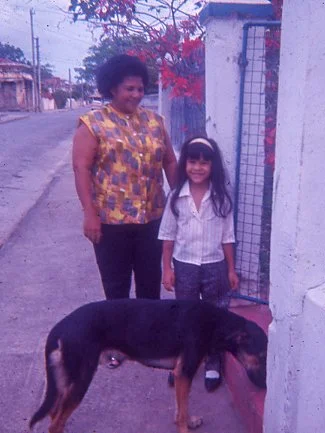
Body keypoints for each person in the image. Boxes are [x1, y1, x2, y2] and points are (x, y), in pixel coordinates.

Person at [72, 54, 177, 304]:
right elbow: (81, 168)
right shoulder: (92, 124)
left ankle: (147, 341)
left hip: (152, 221)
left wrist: (180, 199)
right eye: (129, 88)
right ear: (113, 88)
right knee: (117, 291)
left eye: (140, 88)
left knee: (150, 289)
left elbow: (170, 161)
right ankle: (120, 341)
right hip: (110, 224)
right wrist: (89, 213)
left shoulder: (155, 122)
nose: (136, 94)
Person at [158, 136, 239, 392]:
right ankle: (183, 362)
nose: (198, 168)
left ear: (213, 166)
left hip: (215, 266)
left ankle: (213, 363)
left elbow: (227, 238)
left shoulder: (221, 199)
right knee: (186, 315)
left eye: (204, 163)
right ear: (185, 165)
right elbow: (168, 237)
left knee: (215, 314)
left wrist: (231, 269)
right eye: (192, 162)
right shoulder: (175, 198)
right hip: (185, 266)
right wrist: (167, 269)